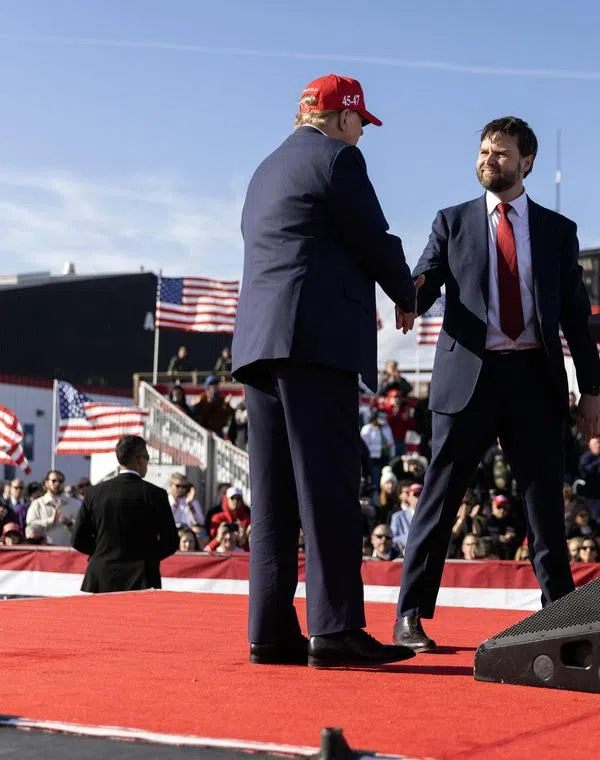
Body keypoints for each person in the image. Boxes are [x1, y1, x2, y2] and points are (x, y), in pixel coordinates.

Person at [393, 116, 600, 652]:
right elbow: (426, 275)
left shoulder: (558, 231)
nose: (489, 159)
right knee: (439, 501)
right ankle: (410, 614)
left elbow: (577, 317)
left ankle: (559, 614)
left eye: (502, 152)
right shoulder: (453, 221)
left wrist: (591, 390)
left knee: (544, 507)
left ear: (526, 161)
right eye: (485, 151)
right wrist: (408, 295)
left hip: (535, 381)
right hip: (469, 379)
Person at [232, 73, 417, 668]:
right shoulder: (339, 162)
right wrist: (407, 292)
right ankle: (335, 629)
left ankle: (269, 630)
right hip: (315, 346)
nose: (362, 134)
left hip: (260, 348)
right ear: (343, 117)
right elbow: (373, 237)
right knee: (330, 491)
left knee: (275, 499)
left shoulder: (265, 170)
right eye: (361, 123)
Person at [71, 435, 180, 592]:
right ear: (139, 459)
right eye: (147, 457)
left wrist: (102, 553)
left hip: (101, 576)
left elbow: (77, 539)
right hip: (142, 577)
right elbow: (170, 542)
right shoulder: (155, 495)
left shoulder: (94, 493)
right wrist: (146, 557)